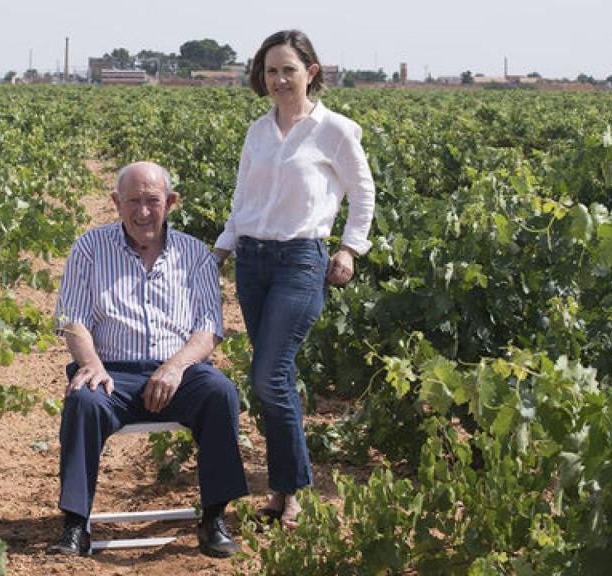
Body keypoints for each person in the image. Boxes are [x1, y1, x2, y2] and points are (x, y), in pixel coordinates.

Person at [212, 30, 376, 529]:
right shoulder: (257, 132)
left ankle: (294, 489)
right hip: (253, 262)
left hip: (301, 262)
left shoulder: (337, 130)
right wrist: (220, 249)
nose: (279, 79)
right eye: (270, 71)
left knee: (268, 374)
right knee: (274, 380)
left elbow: (363, 194)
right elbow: (243, 202)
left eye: (288, 69)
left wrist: (349, 249)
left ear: (312, 71)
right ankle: (285, 491)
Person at [48, 161, 249, 558]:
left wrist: (174, 368)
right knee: (83, 401)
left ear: (170, 202)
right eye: (133, 201)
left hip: (179, 372)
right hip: (112, 373)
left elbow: (208, 328)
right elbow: (72, 319)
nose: (143, 212)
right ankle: (75, 524)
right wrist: (92, 364)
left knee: (220, 392)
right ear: (115, 203)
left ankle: (213, 519)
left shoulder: (195, 254)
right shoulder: (89, 247)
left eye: (153, 201)